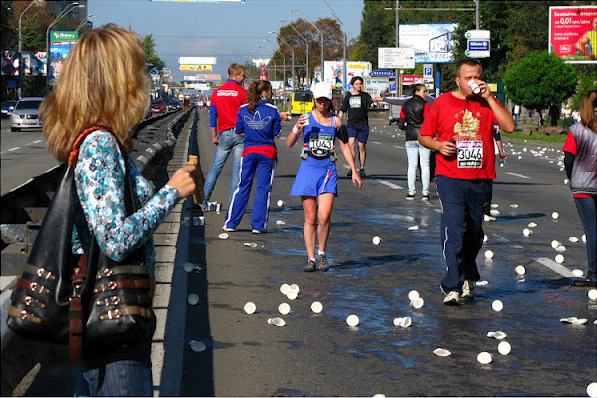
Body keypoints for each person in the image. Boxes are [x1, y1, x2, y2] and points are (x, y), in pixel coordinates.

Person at [39, 24, 197, 396]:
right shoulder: (99, 144)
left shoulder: (97, 139)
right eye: (136, 69)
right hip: (112, 320)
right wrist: (171, 192)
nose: (141, 80)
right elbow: (115, 239)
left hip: (105, 314)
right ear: (116, 79)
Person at [418, 58, 515, 306]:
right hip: (449, 175)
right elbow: (424, 136)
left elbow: (509, 126)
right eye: (468, 77)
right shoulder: (442, 102)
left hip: (481, 176)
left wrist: (490, 99)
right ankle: (452, 284)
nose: (473, 82)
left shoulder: (487, 102)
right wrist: (439, 145)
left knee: (474, 232)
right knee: (455, 229)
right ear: (458, 80)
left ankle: (468, 274)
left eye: (477, 77)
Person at [287, 82, 362, 272]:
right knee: (310, 218)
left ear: (330, 101)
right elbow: (289, 143)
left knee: (324, 216)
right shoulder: (305, 118)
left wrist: (354, 170)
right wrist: (296, 128)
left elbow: (345, 146)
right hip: (308, 169)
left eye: (326, 100)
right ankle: (310, 258)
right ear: (315, 99)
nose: (322, 104)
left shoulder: (336, 121)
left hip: (328, 170)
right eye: (319, 100)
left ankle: (322, 254)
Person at [223, 80, 281, 233]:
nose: (272, 93)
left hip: (249, 151)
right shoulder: (273, 110)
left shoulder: (243, 109)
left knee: (243, 186)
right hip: (267, 152)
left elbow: (238, 132)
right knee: (263, 189)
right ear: (265, 92)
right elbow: (276, 134)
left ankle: (231, 223)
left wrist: (252, 131)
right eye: (270, 91)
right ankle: (258, 226)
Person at [562, 90, 597, 287]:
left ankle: (593, 274)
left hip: (583, 186)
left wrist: (572, 179)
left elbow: (569, 158)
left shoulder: (576, 129)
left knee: (592, 230)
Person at [202, 63, 248, 209]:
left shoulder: (217, 93)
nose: (244, 77)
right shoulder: (242, 93)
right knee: (237, 171)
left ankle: (203, 201)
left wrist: (214, 136)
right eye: (243, 75)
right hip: (240, 134)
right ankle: (232, 204)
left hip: (224, 134)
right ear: (236, 75)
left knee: (215, 168)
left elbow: (213, 116)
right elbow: (247, 115)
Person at [338, 76, 383, 178]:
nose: (359, 86)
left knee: (361, 146)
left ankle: (362, 168)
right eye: (357, 84)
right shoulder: (348, 97)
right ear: (352, 85)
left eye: (360, 84)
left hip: (363, 125)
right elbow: (342, 110)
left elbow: (371, 103)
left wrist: (373, 105)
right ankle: (352, 167)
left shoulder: (365, 95)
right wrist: (338, 122)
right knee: (351, 145)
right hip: (351, 125)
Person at [398, 83, 432, 200]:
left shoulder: (405, 105)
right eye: (424, 91)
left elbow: (400, 124)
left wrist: (408, 127)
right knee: (425, 165)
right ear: (417, 92)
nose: (426, 94)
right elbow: (428, 121)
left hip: (410, 137)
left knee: (412, 166)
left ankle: (411, 192)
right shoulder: (425, 104)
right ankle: (425, 193)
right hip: (423, 137)